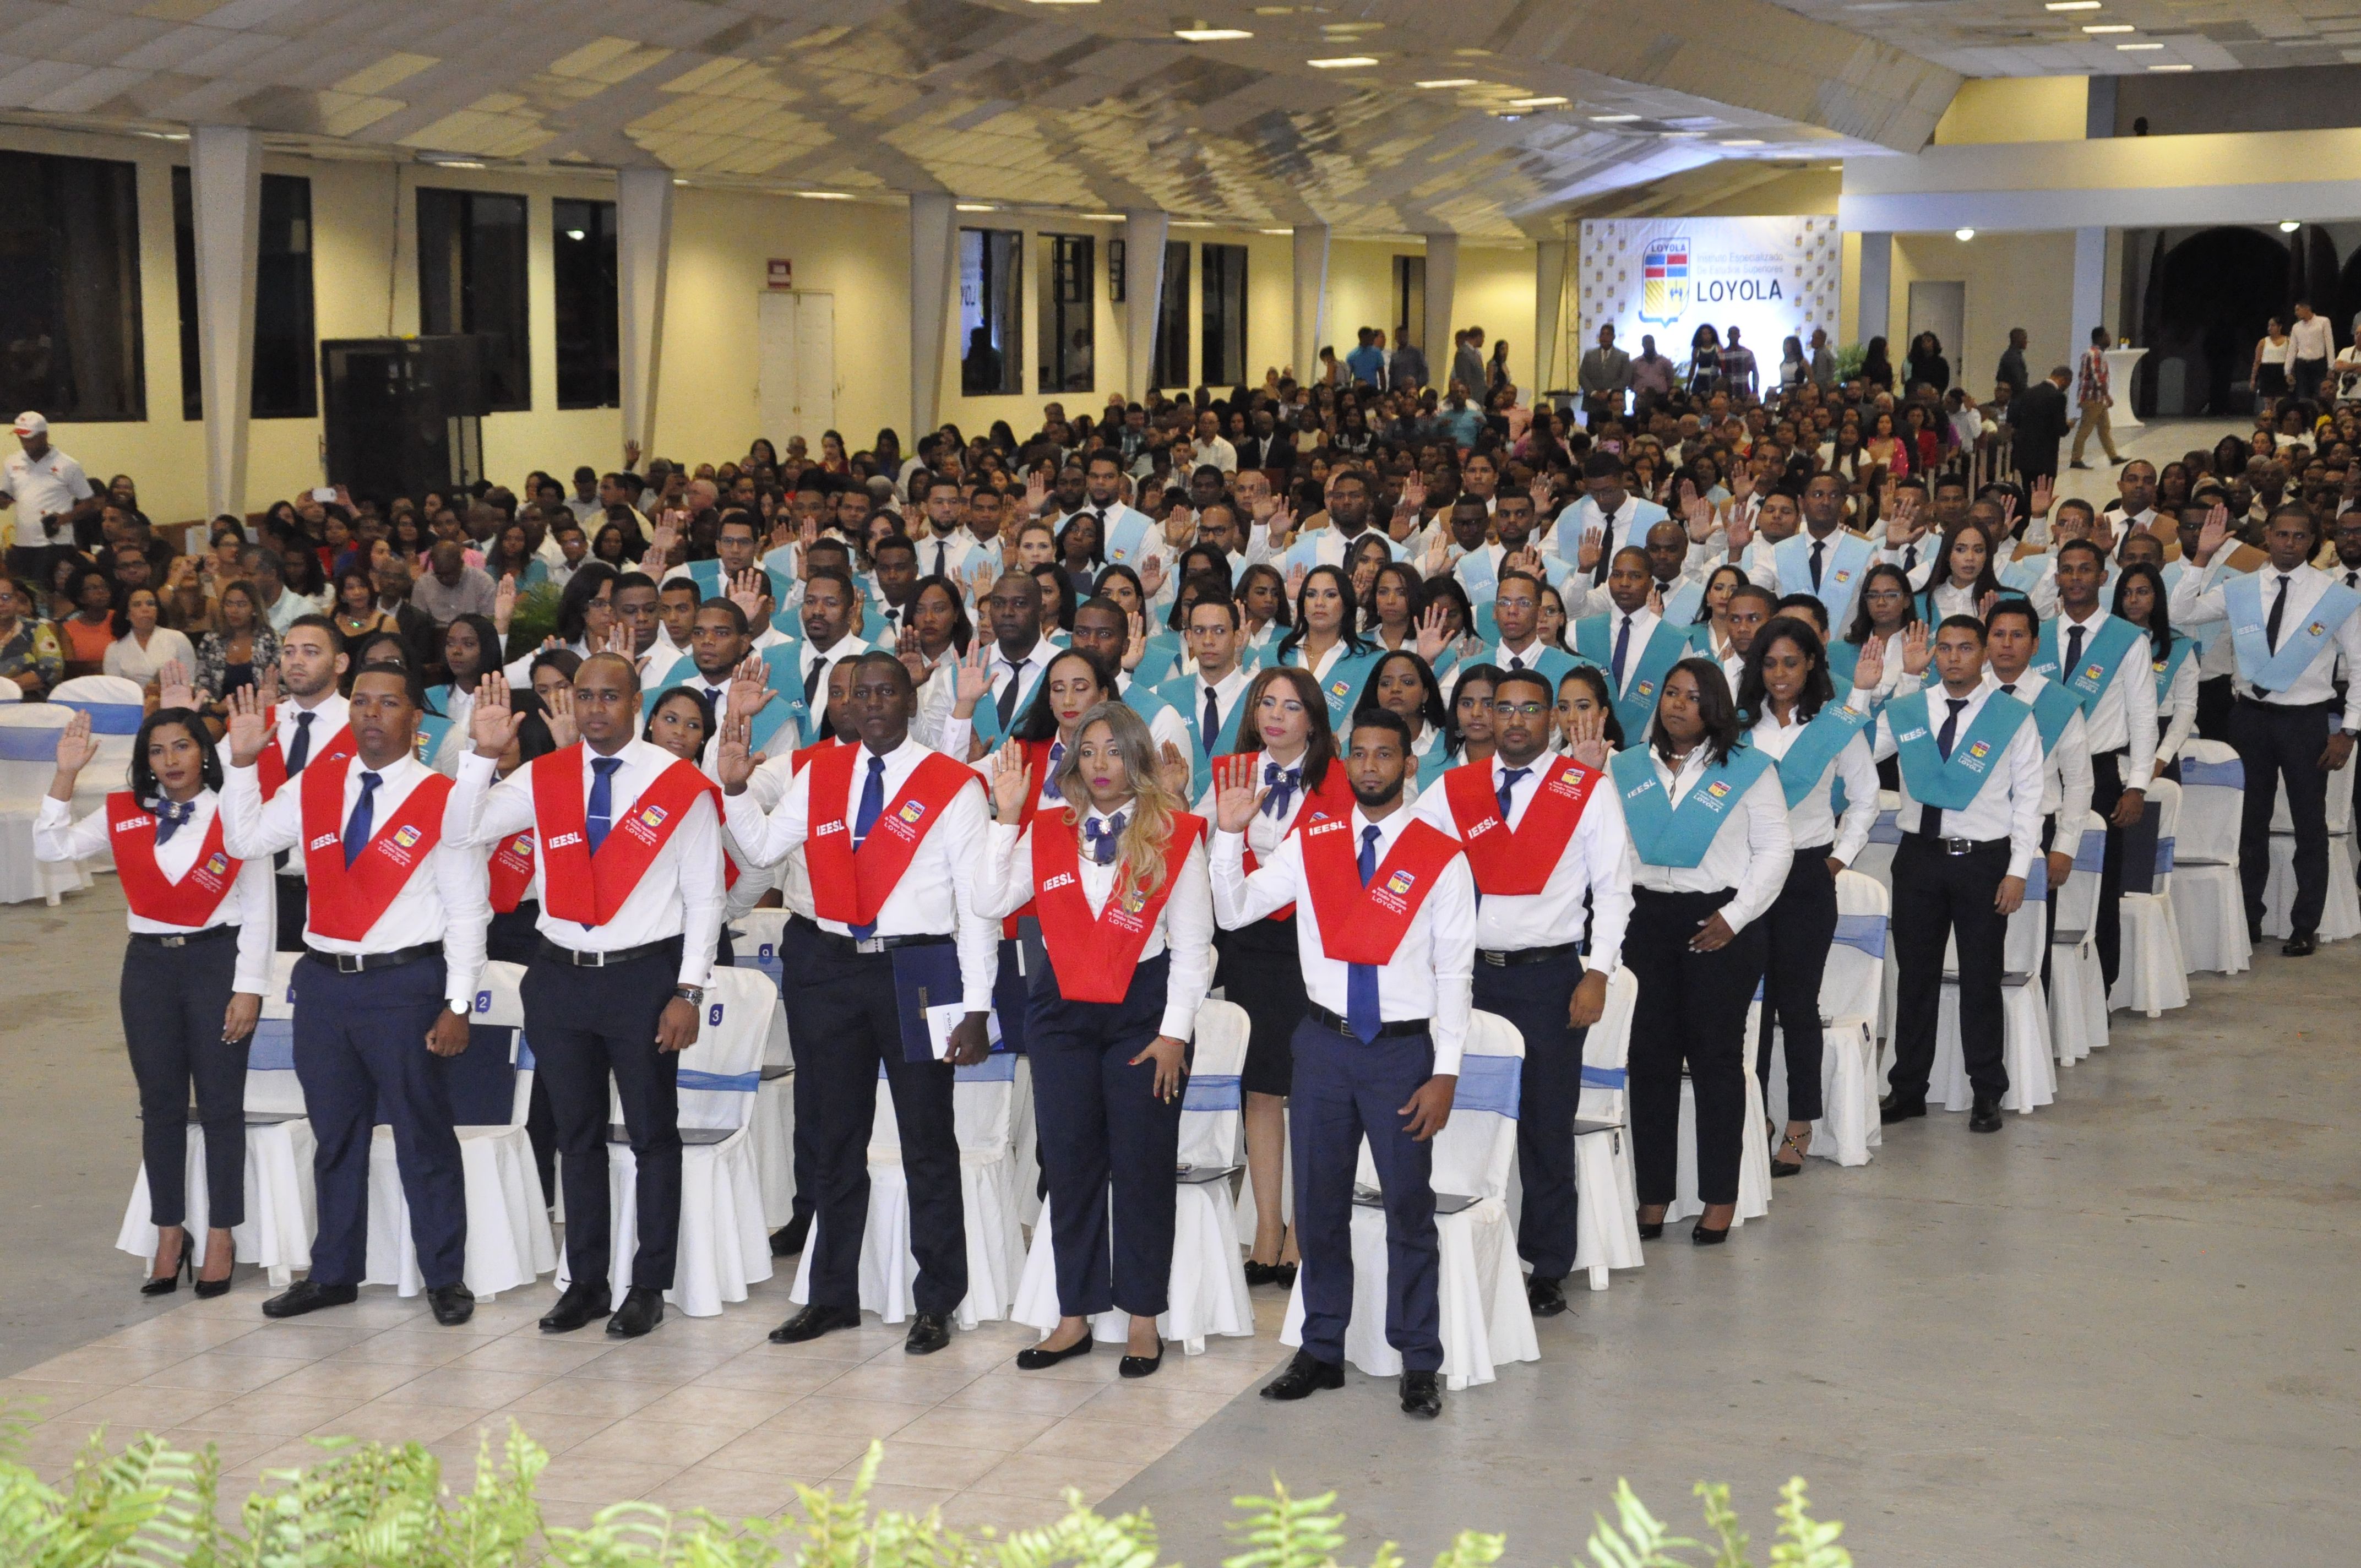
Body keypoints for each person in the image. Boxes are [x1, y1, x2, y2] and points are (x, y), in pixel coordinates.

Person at [719, 652, 994, 1354]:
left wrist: (977, 1005)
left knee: (927, 1140)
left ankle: (937, 1301)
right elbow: (759, 848)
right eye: (859, 692)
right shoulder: (822, 774)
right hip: (830, 968)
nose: (871, 703)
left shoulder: (950, 786)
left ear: (909, 700)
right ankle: (832, 1295)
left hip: (918, 968)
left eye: (886, 691)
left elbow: (976, 906)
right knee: (832, 1140)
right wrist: (735, 786)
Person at [450, 656, 725, 1339]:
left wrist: (689, 989)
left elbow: (706, 898)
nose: (597, 707)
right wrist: (481, 754)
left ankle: (649, 1285)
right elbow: (463, 829)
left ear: (636, 701)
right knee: (575, 1138)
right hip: (560, 977)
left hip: (644, 979)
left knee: (652, 1137)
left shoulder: (678, 784)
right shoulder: (544, 778)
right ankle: (588, 1282)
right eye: (585, 696)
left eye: (610, 695)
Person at [1211, 710, 1473, 1418]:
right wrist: (1229, 833)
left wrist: (1446, 1070)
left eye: (1383, 755)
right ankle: (1320, 1348)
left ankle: (1420, 1358)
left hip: (1400, 1053)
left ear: (1406, 764)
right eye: (1357, 755)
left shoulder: (1439, 854)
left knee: (1408, 1212)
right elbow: (1234, 911)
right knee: (1318, 1209)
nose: (1368, 767)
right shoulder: (1314, 840)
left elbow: (1454, 974)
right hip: (1322, 1045)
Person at [219, 666, 487, 1325]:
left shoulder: (440, 797)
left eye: (388, 703)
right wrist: (243, 763)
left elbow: (467, 912)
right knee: (336, 1136)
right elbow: (244, 839)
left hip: (404, 987)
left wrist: (457, 1003)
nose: (371, 714)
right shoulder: (316, 786)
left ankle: (444, 1277)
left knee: (423, 1137)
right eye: (361, 702)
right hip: (324, 986)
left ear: (414, 722)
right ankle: (335, 1272)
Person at [979, 705, 1210, 1377]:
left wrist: (1174, 1034)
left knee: (1140, 1167)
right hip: (1060, 1016)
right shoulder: (1048, 832)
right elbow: (991, 900)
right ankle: (1072, 1316)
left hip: (1143, 1017)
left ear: (1137, 758)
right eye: (1088, 752)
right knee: (1070, 1168)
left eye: (1114, 751)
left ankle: (1143, 1319)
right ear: (1074, 763)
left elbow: (1194, 949)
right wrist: (1005, 818)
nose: (1101, 763)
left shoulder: (1175, 833)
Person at [36, 705, 272, 1297]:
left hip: (217, 964)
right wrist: (65, 775)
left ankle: (222, 1232)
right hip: (146, 969)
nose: (171, 760)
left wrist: (250, 987)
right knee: (161, 1105)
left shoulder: (237, 811)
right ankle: (170, 1231)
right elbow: (51, 848)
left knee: (221, 1106)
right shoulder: (123, 813)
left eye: (183, 746)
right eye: (158, 750)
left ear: (204, 752)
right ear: (146, 761)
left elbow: (262, 910)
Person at [1415, 666, 1628, 1316]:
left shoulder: (1584, 790)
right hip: (1464, 977)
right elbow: (1411, 860)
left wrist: (1598, 971)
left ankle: (1547, 1262)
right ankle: (1440, 1242)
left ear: (1552, 720)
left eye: (1529, 709)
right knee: (1446, 1113)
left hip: (1548, 977)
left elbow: (1614, 888)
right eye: (1500, 709)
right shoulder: (1455, 789)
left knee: (1544, 1122)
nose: (1512, 721)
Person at [1615, 660, 1792, 1243]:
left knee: (1716, 1061)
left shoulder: (1746, 769)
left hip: (1719, 923)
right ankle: (1653, 1196)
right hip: (1646, 922)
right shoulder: (1628, 769)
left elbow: (1775, 851)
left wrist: (1735, 917)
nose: (1677, 705)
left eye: (1692, 697)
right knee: (1649, 1060)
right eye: (1670, 694)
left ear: (1713, 705)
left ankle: (1719, 1196)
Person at [1870, 618, 2046, 1134]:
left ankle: (1987, 1090)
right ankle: (1908, 1089)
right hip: (1919, 857)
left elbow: (2030, 801)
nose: (1952, 658)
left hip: (1983, 862)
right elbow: (1864, 751)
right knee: (1915, 978)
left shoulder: (2010, 717)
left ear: (1984, 654)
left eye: (1965, 648)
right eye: (1943, 649)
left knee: (1980, 978)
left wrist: (2018, 872)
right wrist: (1902, 679)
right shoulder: (1911, 709)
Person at [2170, 503, 2361, 955]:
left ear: (2313, 541)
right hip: (2250, 718)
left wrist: (2349, 730)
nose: (2289, 544)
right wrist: (2202, 558)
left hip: (2306, 721)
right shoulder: (2240, 589)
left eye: (2300, 537)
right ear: (2268, 536)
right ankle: (2248, 919)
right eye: (2282, 535)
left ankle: (2304, 925)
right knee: (2250, 823)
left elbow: (2359, 665)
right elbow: (2181, 612)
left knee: (2308, 825)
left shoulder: (2334, 596)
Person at [1737, 617, 1876, 1175]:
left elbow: (1865, 798)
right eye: (1769, 663)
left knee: (1796, 1004)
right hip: (1747, 877)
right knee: (1751, 1005)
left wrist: (1839, 857)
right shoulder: (1740, 729)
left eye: (1790, 662)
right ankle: (1756, 1119)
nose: (1779, 674)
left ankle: (1799, 1121)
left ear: (1812, 664)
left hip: (1803, 877)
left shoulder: (1835, 728)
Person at [2033, 539, 2159, 992]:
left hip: (2103, 773)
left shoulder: (2127, 640)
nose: (2075, 578)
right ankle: (2039, 979)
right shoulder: (2038, 636)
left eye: (2085, 569)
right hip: (2045, 775)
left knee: (2101, 883)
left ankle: (2101, 987)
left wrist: (2138, 785)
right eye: (2067, 570)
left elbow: (2144, 717)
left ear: (2103, 578)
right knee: (2041, 877)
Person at [2, 411, 97, 579]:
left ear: (44, 435)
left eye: (30, 439)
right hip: (23, 543)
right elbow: (5, 498)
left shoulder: (68, 465)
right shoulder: (12, 462)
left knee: (52, 592)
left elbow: (89, 503)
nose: (25, 444)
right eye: (21, 439)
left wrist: (65, 518)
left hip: (56, 544)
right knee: (28, 592)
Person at [104, 586, 195, 689]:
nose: (145, 609)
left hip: (175, 701)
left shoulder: (178, 638)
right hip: (134, 702)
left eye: (151, 604)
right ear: (127, 614)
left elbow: (191, 682)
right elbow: (114, 691)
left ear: (157, 611)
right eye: (137, 605)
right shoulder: (114, 649)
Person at [2069, 328, 2125, 470]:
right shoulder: (2096, 354)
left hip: (2097, 398)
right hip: (2092, 399)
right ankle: (2076, 459)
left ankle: (2114, 457)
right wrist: (2107, 395)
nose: (2109, 338)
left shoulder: (2094, 353)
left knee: (2105, 428)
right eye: (2107, 336)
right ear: (2100, 338)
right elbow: (2098, 377)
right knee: (2085, 429)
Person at [0, 574, 62, 698]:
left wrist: (7, 689)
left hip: (30, 703)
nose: (1, 603)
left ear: (17, 600)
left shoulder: (36, 629)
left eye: (6, 597)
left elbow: (53, 668)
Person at [2012, 366, 2072, 488]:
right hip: (2045, 458)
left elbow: (2016, 421)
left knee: (2028, 493)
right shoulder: (2058, 397)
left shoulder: (2028, 393)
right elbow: (2060, 429)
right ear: (2063, 380)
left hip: (2025, 455)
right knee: (2043, 496)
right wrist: (2068, 426)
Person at [1577, 325, 1631, 428]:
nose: (1605, 337)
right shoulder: (1589, 354)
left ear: (1614, 337)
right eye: (1602, 334)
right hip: (1593, 402)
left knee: (1615, 430)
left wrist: (1609, 393)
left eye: (1608, 334)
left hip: (1614, 403)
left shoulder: (1623, 356)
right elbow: (1582, 375)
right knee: (1593, 432)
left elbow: (1625, 379)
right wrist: (1593, 393)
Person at [2289, 301, 2333, 405]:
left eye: (2298, 310)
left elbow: (2329, 345)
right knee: (2302, 395)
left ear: (2307, 309)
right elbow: (2292, 349)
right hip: (2302, 365)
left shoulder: (2323, 321)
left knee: (2320, 394)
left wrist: (2331, 367)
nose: (2296, 313)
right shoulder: (2296, 327)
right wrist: (2288, 370)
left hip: (2318, 363)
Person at [1997, 327, 2030, 399]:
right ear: (2019, 339)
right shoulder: (2014, 358)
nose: (2027, 341)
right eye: (2025, 338)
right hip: (2015, 399)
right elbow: (2019, 383)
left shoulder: (2009, 355)